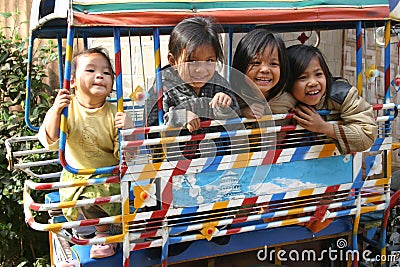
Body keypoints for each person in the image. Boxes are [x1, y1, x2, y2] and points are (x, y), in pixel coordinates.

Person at [38, 47, 134, 259]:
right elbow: (49, 140)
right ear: (72, 81)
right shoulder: (67, 109)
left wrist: (129, 129)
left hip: (107, 180)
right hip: (76, 179)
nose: (100, 75)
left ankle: (103, 236)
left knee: (101, 199)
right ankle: (84, 230)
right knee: (81, 209)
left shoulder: (114, 113)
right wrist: (55, 110)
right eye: (90, 70)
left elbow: (127, 155)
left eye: (107, 73)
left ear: (112, 84)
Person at [146, 16, 239, 160]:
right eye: (192, 61)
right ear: (173, 61)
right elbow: (151, 131)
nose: (201, 69)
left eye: (209, 61)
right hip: (175, 162)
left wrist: (225, 108)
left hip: (216, 159)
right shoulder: (162, 87)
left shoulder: (219, 84)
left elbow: (237, 121)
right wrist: (178, 117)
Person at [286, 44, 378, 154]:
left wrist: (323, 127)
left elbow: (367, 135)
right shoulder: (282, 99)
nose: (313, 83)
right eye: (303, 77)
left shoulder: (342, 95)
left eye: (318, 74)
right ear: (288, 82)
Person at [231, 29, 296, 149]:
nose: (265, 70)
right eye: (256, 62)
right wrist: (242, 113)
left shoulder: (290, 100)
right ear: (241, 65)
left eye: (273, 64)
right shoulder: (232, 98)